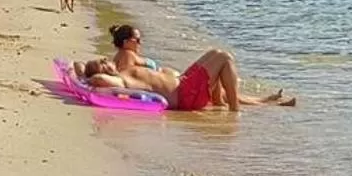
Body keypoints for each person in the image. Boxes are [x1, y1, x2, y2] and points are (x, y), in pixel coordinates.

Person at [109, 24, 293, 112]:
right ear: (126, 42)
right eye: (138, 40)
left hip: (182, 86)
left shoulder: (126, 55)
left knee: (217, 59)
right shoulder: (127, 56)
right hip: (182, 93)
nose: (141, 43)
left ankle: (265, 102)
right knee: (223, 58)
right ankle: (236, 112)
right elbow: (123, 78)